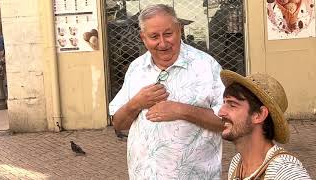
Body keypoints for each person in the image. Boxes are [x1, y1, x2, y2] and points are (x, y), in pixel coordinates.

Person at [109, 4, 225, 179]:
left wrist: (182, 111)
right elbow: (119, 124)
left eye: (168, 34)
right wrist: (136, 103)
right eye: (154, 36)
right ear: (143, 38)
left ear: (179, 30)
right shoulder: (136, 69)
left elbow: (227, 122)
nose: (163, 43)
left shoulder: (206, 66)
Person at [218, 70, 311, 180]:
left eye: (232, 105)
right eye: (224, 103)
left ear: (259, 115)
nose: (220, 112)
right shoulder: (237, 164)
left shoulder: (284, 171)